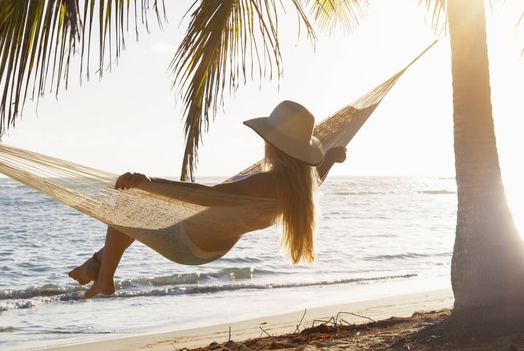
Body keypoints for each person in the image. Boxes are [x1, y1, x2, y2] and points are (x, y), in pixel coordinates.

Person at [68, 100, 347, 299]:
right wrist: (330, 159)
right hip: (211, 246)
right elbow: (313, 181)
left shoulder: (263, 182)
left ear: (272, 142)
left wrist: (150, 183)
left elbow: (204, 194)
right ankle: (94, 266)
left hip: (189, 240)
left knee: (130, 204)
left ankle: (104, 279)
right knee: (143, 221)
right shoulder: (296, 191)